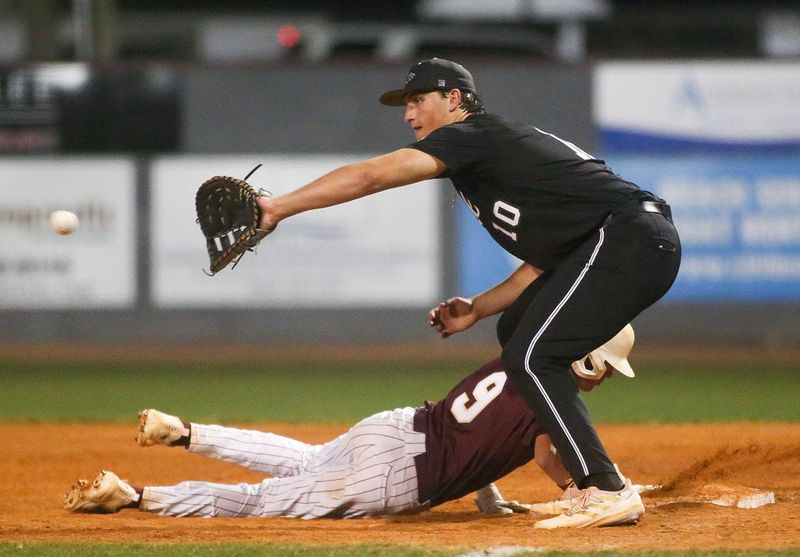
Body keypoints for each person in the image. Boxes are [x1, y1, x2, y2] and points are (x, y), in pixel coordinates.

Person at [249, 58, 680, 528]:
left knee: (534, 357)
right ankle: (584, 476)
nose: (409, 115)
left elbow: (372, 175)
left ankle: (605, 488)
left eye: (418, 100)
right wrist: (476, 310)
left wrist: (278, 207)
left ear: (454, 99)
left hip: (630, 238)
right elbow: (536, 269)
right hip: (625, 242)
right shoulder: (487, 165)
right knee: (517, 330)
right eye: (405, 104)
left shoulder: (472, 136)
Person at [64, 327, 643, 527]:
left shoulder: (521, 357)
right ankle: (134, 495)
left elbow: (476, 433)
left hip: (396, 428)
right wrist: (578, 492)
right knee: (264, 502)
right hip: (399, 477)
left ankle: (184, 432)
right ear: (588, 359)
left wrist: (486, 497)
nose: (607, 379)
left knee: (303, 462)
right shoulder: (556, 392)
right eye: (608, 368)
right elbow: (546, 456)